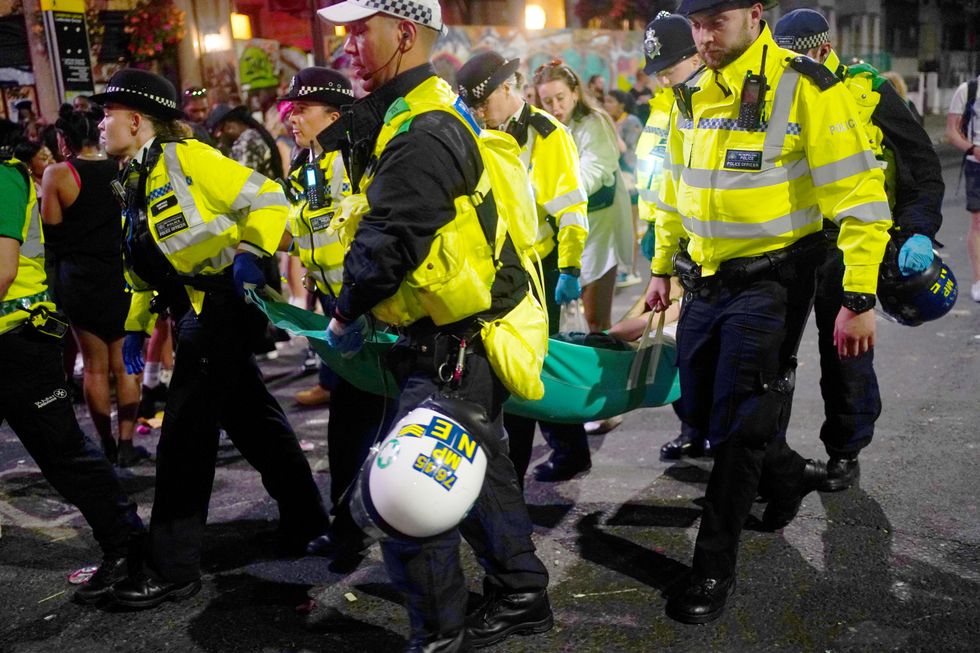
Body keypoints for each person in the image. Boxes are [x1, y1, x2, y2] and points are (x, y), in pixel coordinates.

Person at [645, 0, 892, 624]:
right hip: (703, 280)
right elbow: (676, 184)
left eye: (715, 21)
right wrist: (660, 266)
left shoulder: (803, 85)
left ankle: (711, 569)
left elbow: (860, 195)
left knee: (735, 428)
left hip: (772, 283)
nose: (702, 36)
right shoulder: (692, 91)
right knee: (699, 410)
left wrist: (859, 297)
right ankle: (786, 475)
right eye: (695, 24)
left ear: (755, 14)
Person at [316, 1, 552, 649]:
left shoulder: (422, 129)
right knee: (480, 474)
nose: (349, 45)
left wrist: (344, 313)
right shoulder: (410, 115)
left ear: (405, 32)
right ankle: (523, 590)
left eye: (361, 30)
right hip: (457, 338)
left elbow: (389, 239)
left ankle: (437, 637)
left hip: (453, 345)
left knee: (409, 498)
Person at [90, 68, 329, 609]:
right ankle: (308, 522)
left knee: (185, 437)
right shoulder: (136, 175)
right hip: (191, 308)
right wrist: (136, 323)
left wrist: (249, 258)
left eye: (107, 115)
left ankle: (172, 568)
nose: (101, 125)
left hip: (221, 305)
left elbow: (269, 198)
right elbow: (145, 264)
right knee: (253, 420)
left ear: (135, 118)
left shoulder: (184, 159)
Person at [773, 8, 945, 491]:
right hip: (785, 243)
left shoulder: (871, 94)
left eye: (801, 60)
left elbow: (923, 168)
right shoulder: (768, 91)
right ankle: (765, 452)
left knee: (846, 352)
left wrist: (917, 230)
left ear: (826, 52)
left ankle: (845, 450)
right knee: (769, 354)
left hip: (848, 244)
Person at [0, 119, 144, 605]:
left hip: (21, 336)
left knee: (65, 451)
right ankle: (121, 455)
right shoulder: (76, 172)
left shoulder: (13, 176)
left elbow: (5, 269)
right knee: (110, 373)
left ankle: (126, 543)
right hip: (100, 285)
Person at [455, 51, 590, 484]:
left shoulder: (545, 134)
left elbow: (570, 207)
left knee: (533, 359)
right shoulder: (478, 131)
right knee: (509, 360)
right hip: (493, 265)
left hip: (540, 265)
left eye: (482, 102)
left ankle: (553, 454)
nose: (477, 112)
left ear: (507, 89)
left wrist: (568, 267)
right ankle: (554, 453)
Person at [274, 66, 387, 567]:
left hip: (374, 310)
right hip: (338, 309)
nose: (291, 116)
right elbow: (312, 231)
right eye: (291, 107)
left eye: (302, 109)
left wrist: (354, 304)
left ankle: (373, 529)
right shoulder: (310, 163)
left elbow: (375, 234)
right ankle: (350, 527)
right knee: (351, 423)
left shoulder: (359, 157)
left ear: (335, 114)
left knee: (370, 422)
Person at [40, 104, 147, 467]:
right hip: (120, 276)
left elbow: (51, 233)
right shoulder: (121, 168)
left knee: (95, 367)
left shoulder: (59, 174)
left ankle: (106, 445)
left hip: (80, 281)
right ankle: (128, 442)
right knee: (125, 364)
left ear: (64, 139)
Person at [634, 11, 709, 461]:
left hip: (704, 241)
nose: (662, 81)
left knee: (710, 349)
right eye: (657, 73)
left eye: (668, 70)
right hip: (665, 235)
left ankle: (722, 436)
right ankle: (692, 426)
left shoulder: (712, 103)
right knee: (682, 344)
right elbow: (656, 179)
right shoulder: (665, 106)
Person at [533, 60, 633, 335]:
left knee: (595, 319)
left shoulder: (594, 123)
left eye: (561, 98)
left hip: (599, 232)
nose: (555, 107)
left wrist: (556, 190)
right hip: (567, 230)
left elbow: (596, 169)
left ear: (575, 92)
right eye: (547, 100)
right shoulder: (544, 129)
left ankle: (602, 373)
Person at [946, 71, 980, 301]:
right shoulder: (968, 90)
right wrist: (972, 149)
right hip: (976, 164)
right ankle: (978, 280)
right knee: (978, 222)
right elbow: (952, 131)